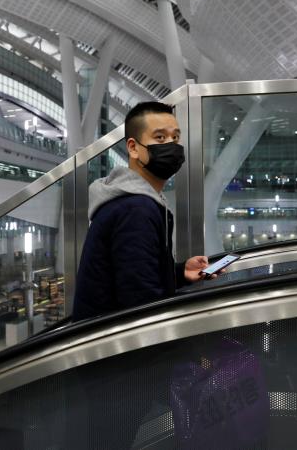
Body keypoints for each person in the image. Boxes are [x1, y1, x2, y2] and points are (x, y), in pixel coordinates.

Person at [73, 101, 214, 321]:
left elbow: (134, 277)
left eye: (175, 137)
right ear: (133, 148)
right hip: (115, 348)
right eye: (160, 138)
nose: (171, 145)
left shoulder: (136, 201)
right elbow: (142, 303)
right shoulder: (135, 209)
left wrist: (179, 273)